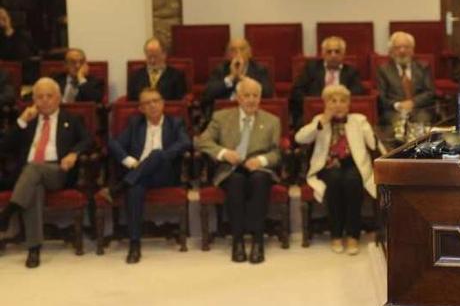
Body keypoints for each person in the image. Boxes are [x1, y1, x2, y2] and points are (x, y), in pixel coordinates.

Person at [0, 78, 93, 268]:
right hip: (29, 176)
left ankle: (9, 212)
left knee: (33, 168)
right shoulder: (28, 120)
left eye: (49, 96)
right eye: (39, 97)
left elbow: (88, 140)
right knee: (34, 187)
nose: (44, 101)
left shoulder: (71, 119)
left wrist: (74, 154)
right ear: (33, 100)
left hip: (58, 171)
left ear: (58, 98)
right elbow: (4, 146)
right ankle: (34, 249)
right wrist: (21, 121)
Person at [197, 77, 280, 264]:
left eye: (255, 96)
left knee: (259, 180)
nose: (251, 100)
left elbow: (277, 152)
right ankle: (238, 240)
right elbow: (202, 141)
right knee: (236, 181)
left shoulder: (272, 121)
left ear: (260, 98)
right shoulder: (221, 117)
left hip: (259, 169)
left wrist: (261, 160)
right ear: (238, 98)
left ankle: (258, 241)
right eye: (247, 95)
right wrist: (224, 153)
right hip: (230, 168)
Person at [107, 88, 191, 264]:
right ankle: (134, 244)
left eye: (155, 101)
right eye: (147, 103)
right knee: (134, 189)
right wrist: (128, 161)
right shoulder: (135, 123)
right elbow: (114, 144)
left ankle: (121, 186)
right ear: (141, 108)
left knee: (157, 154)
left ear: (163, 103)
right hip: (140, 176)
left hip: (165, 175)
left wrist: (162, 157)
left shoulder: (175, 123)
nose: (152, 105)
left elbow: (185, 142)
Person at [295, 85, 377, 255]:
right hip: (329, 165)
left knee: (353, 181)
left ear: (349, 104)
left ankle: (353, 235)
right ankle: (336, 234)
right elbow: (300, 138)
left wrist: (367, 128)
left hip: (354, 164)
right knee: (334, 181)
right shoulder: (320, 120)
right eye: (333, 101)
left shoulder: (358, 120)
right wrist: (322, 121)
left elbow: (373, 144)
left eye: (342, 101)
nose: (338, 105)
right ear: (326, 103)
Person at [290, 36, 364, 128]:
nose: (333, 55)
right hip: (314, 113)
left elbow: (357, 94)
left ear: (343, 54)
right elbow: (297, 92)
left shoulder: (351, 71)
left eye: (337, 51)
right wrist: (317, 104)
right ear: (323, 54)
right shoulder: (311, 68)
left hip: (342, 114)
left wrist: (338, 106)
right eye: (329, 51)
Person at [376, 31, 435, 125]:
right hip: (394, 111)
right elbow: (382, 97)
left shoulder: (423, 67)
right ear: (391, 51)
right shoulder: (383, 70)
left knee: (422, 122)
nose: (402, 51)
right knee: (399, 125)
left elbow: (430, 92)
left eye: (406, 47)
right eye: (397, 48)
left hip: (419, 109)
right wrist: (399, 105)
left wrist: (413, 103)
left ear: (412, 50)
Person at [201, 38, 274, 108]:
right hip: (226, 111)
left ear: (249, 53)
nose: (238, 53)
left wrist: (243, 79)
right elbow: (208, 94)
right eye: (233, 50)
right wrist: (231, 77)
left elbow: (268, 94)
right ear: (227, 54)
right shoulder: (220, 69)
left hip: (251, 110)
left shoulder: (259, 69)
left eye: (242, 49)